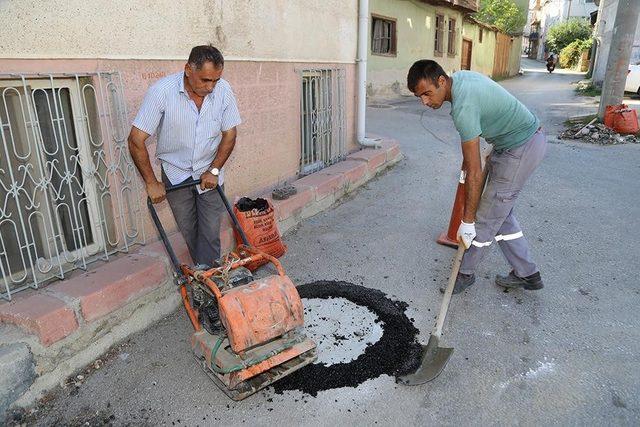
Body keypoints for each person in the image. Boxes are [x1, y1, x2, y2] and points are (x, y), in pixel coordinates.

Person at [407, 60, 547, 294]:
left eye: (427, 94)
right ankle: (527, 273)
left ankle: (464, 273)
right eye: (419, 97)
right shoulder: (460, 79)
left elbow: (474, 171)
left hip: (520, 148)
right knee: (499, 213)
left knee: (483, 219)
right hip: (513, 144)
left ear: (441, 81)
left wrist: (467, 222)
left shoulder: (464, 107)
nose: (425, 101)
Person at [128, 45, 241, 268]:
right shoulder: (162, 91)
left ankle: (212, 280)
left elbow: (230, 134)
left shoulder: (224, 90)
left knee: (209, 232)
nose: (211, 87)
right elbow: (135, 139)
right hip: (175, 173)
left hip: (209, 171)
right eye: (206, 80)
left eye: (215, 80)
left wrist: (215, 170)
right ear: (188, 69)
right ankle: (205, 277)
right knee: (189, 231)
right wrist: (151, 183)